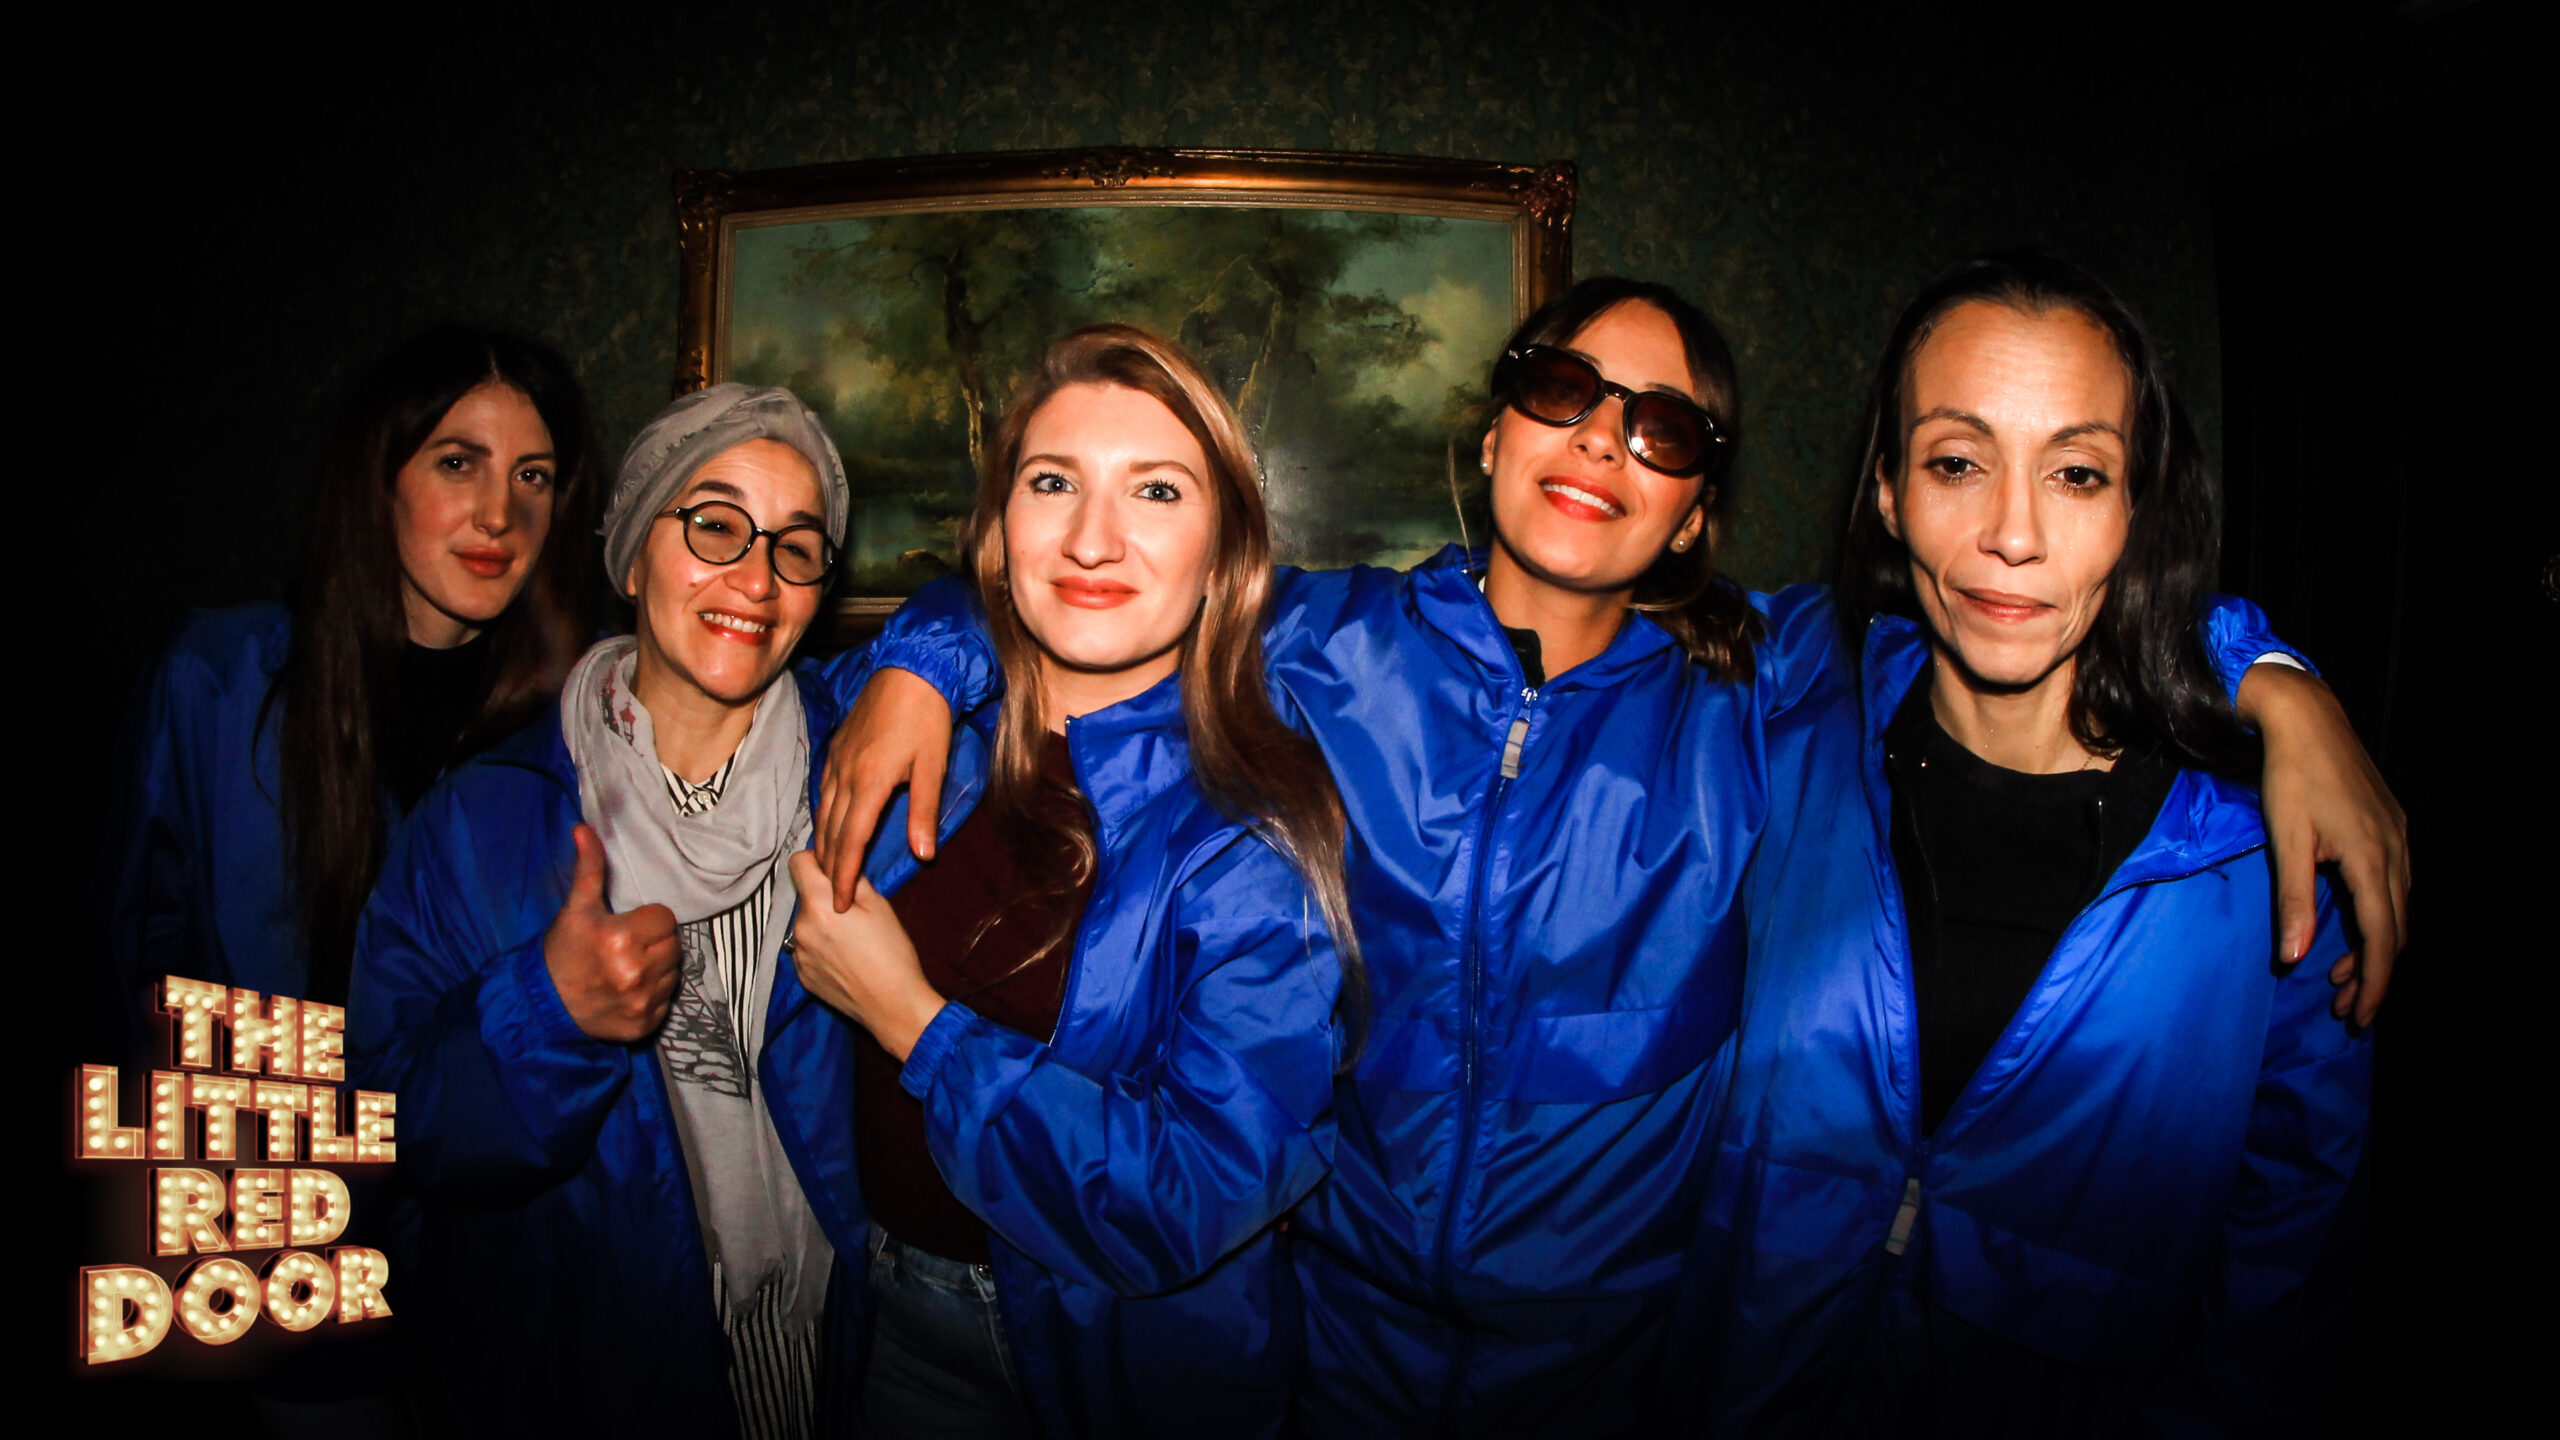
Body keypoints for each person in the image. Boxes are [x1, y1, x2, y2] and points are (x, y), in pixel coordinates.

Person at [811, 279, 2403, 1436]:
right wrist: (918, 664)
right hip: (1325, 1342)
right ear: (1497, 428)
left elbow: (2020, 581)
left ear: (1698, 509)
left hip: (1622, 1375)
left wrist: (2276, 680)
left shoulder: (1772, 685)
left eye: (1664, 428)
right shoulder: (1315, 643)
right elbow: (1094, 586)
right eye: (1563, 390)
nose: (1600, 442)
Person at [1684, 254, 2371, 1434]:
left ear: (2136, 508)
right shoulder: (1784, 714)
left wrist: (2272, 678)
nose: (2013, 533)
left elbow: (2287, 1265)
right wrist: (2276, 675)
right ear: (1888, 492)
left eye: (2076, 472)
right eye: (1957, 462)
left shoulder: (2264, 857)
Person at [777, 324, 1357, 1438]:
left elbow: (1193, 1188)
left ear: (1223, 554)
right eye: (1053, 483)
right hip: (872, 1311)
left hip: (1120, 1364)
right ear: (999, 532)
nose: (1093, 538)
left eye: (1156, 491)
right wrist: (922, 658)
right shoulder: (900, 721)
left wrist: (912, 1021)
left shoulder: (1256, 834)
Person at [349, 384, 856, 1438]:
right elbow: (389, 1124)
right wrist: (546, 1011)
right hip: (602, 1374)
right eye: (714, 526)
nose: (756, 578)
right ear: (631, 558)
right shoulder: (483, 817)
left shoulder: (870, 785)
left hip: (837, 1363)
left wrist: (924, 676)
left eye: (797, 547)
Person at [94, 326, 599, 1050]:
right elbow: (131, 970)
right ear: (380, 479)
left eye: (533, 477)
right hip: (246, 1118)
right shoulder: (215, 680)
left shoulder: (577, 726)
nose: (498, 515)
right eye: (458, 463)